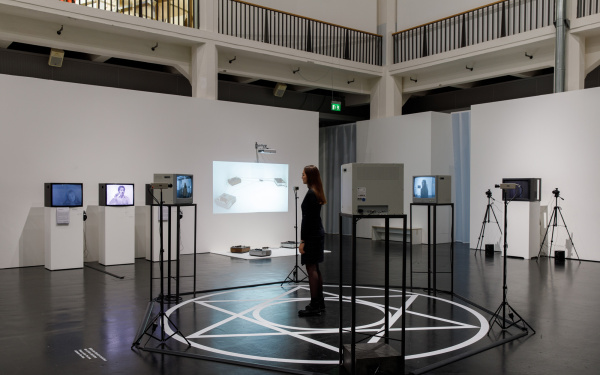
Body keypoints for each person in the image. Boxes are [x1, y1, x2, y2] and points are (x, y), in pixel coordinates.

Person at [298, 165, 327, 317]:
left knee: (311, 269)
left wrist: (302, 241)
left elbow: (307, 220)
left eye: (303, 174)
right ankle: (319, 303)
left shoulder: (311, 194)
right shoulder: (317, 192)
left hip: (312, 236)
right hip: (317, 233)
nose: (301, 176)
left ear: (309, 176)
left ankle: (315, 305)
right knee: (315, 268)